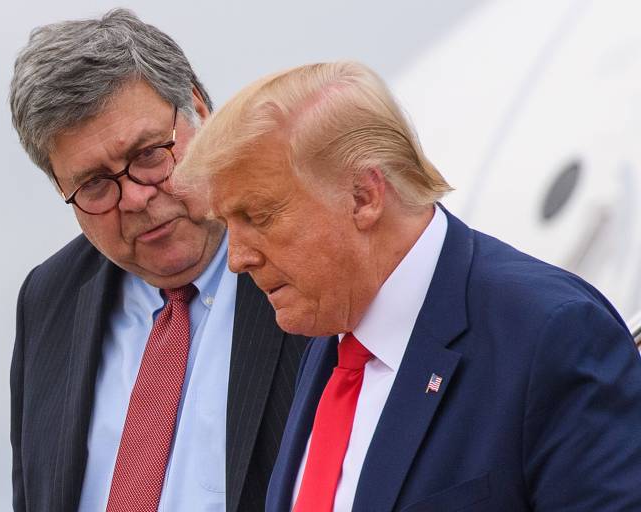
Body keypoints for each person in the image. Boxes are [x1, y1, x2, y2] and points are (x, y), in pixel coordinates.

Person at [174, 61, 641, 511]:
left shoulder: (549, 333)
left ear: (364, 196)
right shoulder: (329, 341)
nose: (237, 258)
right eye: (228, 224)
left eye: (259, 216)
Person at [8, 9, 307, 512]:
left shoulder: (306, 258)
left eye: (149, 155)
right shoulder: (49, 299)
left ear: (200, 111)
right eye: (95, 184)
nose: (135, 198)